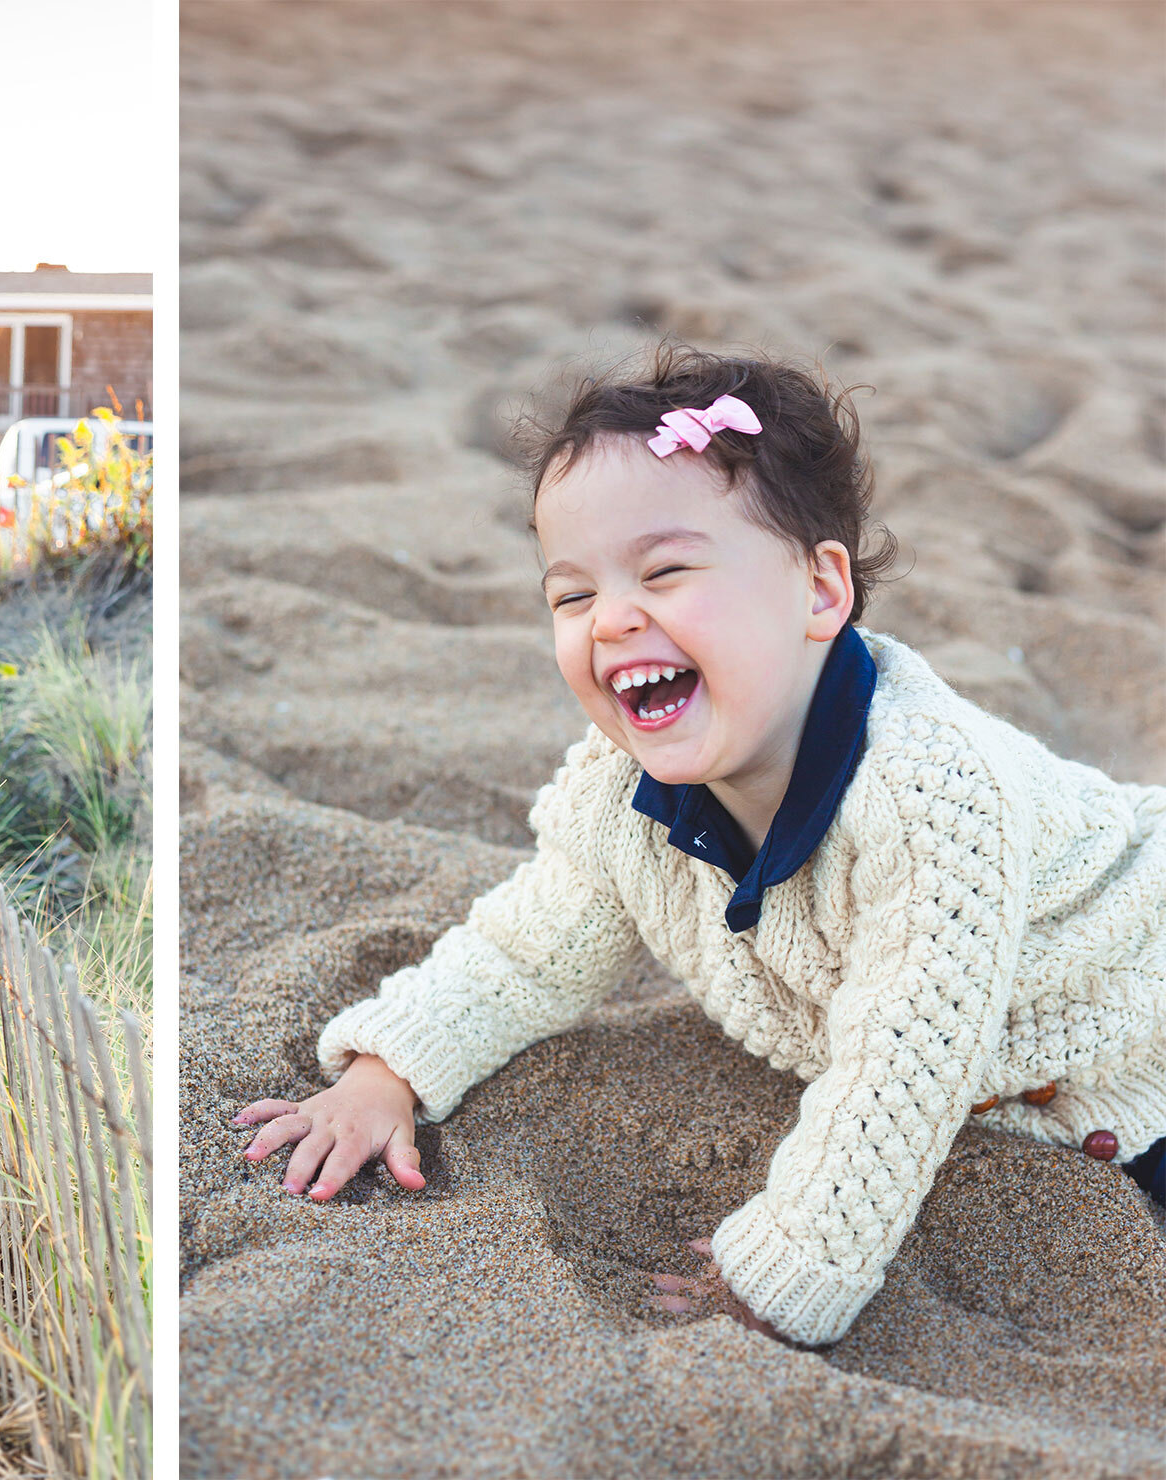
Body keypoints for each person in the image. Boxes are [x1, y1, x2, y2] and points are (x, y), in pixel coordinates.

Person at [233, 342, 1166, 1351]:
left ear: (818, 593)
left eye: (666, 571)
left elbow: (898, 1074)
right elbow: (525, 951)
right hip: (1034, 1081)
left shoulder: (924, 795)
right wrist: (386, 1070)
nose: (613, 618)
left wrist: (784, 1269)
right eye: (570, 595)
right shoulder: (621, 791)